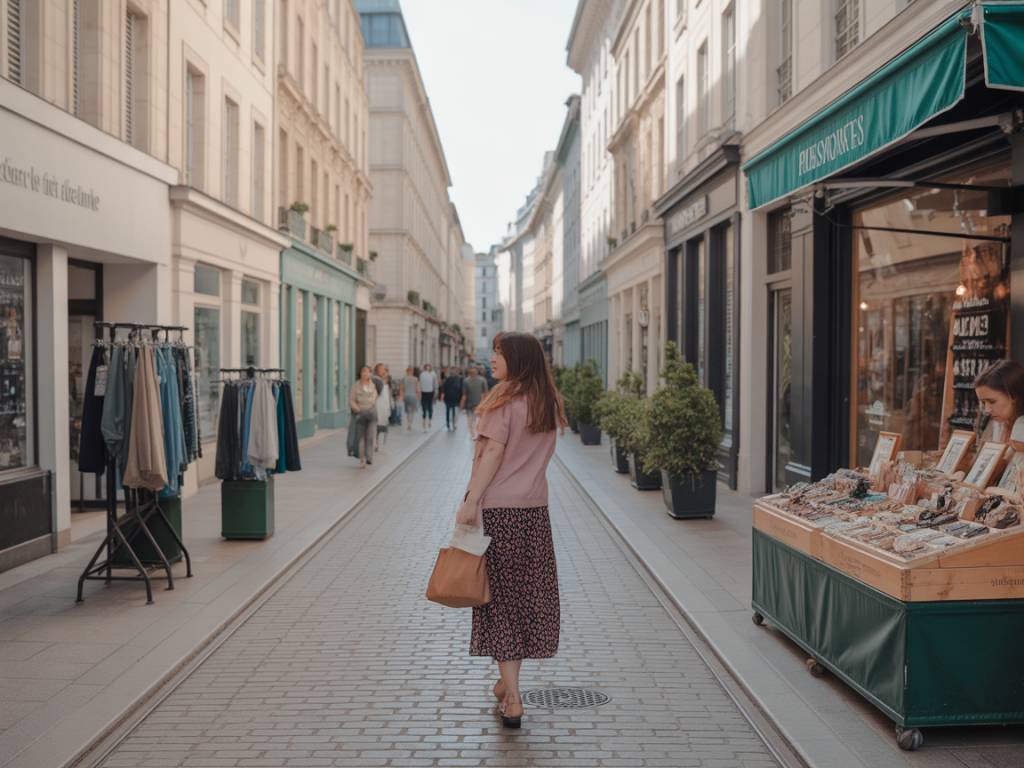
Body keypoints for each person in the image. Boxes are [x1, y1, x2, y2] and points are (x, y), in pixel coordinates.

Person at [456, 331, 567, 729]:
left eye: (499, 353)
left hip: (500, 511)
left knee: (500, 602)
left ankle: (514, 698)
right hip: (535, 512)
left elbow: (494, 454)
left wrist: (470, 501)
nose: (492, 358)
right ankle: (507, 685)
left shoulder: (501, 402)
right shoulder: (546, 402)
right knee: (526, 598)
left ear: (517, 359)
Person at [975, 360, 1024, 444]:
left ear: (1013, 395)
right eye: (983, 403)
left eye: (992, 402)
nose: (987, 410)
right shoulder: (997, 424)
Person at [349, 366, 378, 469]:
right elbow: (351, 400)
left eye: (367, 372)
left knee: (370, 436)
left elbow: (375, 397)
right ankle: (362, 458)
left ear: (370, 374)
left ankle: (369, 457)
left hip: (371, 414)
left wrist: (372, 405)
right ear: (360, 373)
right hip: (360, 413)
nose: (365, 374)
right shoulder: (355, 386)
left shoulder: (373, 385)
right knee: (360, 438)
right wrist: (358, 409)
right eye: (363, 372)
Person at [460, 366, 489, 439]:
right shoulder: (466, 381)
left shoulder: (482, 380)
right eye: (471, 372)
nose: (473, 373)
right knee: (472, 421)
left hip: (477, 404)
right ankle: (473, 434)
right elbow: (464, 395)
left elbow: (486, 393)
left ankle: (474, 434)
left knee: (474, 421)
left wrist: (485, 403)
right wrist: (462, 404)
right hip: (471, 404)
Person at [374, 364, 393, 450]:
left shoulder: (385, 380)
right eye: (382, 369)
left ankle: (376, 441)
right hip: (376, 406)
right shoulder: (375, 380)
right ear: (377, 370)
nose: (383, 371)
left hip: (383, 407)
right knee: (375, 425)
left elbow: (387, 394)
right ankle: (375, 442)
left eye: (384, 369)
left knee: (379, 425)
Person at [442, 367, 464, 431]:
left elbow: (444, 388)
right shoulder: (455, 379)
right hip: (451, 398)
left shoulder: (456, 379)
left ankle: (451, 423)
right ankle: (450, 423)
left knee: (452, 411)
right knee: (450, 411)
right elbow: (444, 388)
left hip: (452, 398)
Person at [419, 363, 438, 431]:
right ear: (425, 368)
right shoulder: (422, 374)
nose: (427, 368)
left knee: (430, 407)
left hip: (430, 392)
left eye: (429, 367)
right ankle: (424, 422)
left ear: (430, 368)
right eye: (426, 367)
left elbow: (435, 383)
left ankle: (429, 421)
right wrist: (419, 393)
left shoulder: (433, 374)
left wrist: (435, 392)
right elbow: (420, 383)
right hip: (424, 392)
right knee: (424, 408)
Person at [401, 366, 420, 431]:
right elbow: (417, 389)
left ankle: (408, 422)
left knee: (408, 411)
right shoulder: (415, 379)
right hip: (413, 396)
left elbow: (402, 389)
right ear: (412, 372)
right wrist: (418, 396)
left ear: (407, 371)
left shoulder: (404, 378)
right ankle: (410, 423)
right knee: (413, 411)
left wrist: (401, 396)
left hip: (406, 396)